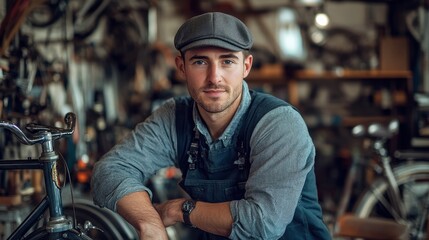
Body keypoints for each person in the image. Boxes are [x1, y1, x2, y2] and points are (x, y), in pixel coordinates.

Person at [91, 12, 331, 240]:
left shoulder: (278, 123)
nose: (214, 77)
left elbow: (263, 223)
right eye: (200, 62)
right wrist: (149, 223)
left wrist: (180, 209)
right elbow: (110, 170)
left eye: (227, 61)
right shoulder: (174, 118)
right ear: (182, 67)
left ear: (246, 66)